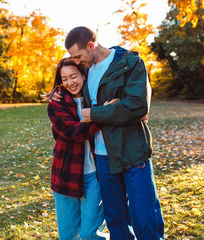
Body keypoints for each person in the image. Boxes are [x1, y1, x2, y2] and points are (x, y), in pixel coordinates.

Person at [53, 26, 165, 240]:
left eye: (78, 56)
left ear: (91, 45)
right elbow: (71, 85)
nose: (76, 61)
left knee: (144, 217)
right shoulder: (86, 69)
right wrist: (57, 93)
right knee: (116, 220)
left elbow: (137, 105)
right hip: (103, 158)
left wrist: (97, 113)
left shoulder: (129, 63)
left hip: (131, 150)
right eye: (72, 58)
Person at [45, 58, 112, 240]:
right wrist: (101, 115)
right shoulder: (56, 104)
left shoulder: (97, 98)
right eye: (64, 79)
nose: (69, 82)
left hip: (95, 176)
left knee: (89, 234)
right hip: (65, 174)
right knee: (68, 236)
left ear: (83, 74)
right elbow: (73, 132)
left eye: (73, 76)